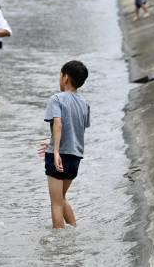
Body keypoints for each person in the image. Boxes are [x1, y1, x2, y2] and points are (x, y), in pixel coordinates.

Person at [38, 60, 90, 229]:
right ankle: (74, 231)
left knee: (56, 203)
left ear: (65, 77)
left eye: (60, 75)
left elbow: (59, 124)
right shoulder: (84, 103)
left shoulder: (56, 99)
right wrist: (52, 144)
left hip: (59, 155)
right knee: (61, 197)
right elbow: (77, 129)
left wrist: (56, 152)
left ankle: (59, 244)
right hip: (76, 156)